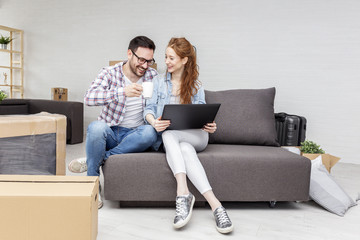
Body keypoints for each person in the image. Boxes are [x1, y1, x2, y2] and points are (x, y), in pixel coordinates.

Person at [144, 37, 234, 234]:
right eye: (166, 57)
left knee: (171, 137)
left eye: (171, 58)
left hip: (197, 136)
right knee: (175, 141)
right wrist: (154, 122)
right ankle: (216, 206)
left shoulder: (195, 85)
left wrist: (209, 125)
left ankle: (183, 194)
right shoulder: (157, 82)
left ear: (184, 60)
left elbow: (203, 113)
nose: (166, 61)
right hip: (175, 139)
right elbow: (148, 109)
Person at [68, 36, 158, 208]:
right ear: (129, 53)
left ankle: (95, 160)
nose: (145, 66)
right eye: (141, 60)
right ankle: (92, 185)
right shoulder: (110, 72)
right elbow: (89, 98)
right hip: (110, 131)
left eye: (149, 61)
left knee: (150, 132)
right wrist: (122, 92)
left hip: (135, 135)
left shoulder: (152, 75)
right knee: (96, 127)